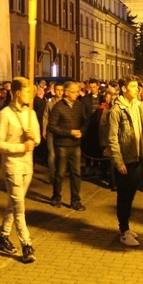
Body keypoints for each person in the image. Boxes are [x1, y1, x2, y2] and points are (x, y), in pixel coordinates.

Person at [104, 75, 143, 247]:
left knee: (130, 195)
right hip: (125, 159)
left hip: (138, 155)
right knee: (124, 196)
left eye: (137, 86)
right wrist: (119, 161)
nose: (137, 89)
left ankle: (126, 227)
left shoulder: (137, 106)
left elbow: (139, 128)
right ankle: (123, 231)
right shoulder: (117, 110)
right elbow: (112, 138)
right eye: (132, 86)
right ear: (124, 89)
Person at [0, 77, 41, 263]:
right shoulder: (5, 114)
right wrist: (19, 147)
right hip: (12, 165)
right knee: (19, 207)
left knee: (14, 204)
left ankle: (2, 236)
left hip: (27, 166)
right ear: (18, 92)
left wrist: (31, 137)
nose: (31, 94)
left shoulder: (31, 114)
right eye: (28, 91)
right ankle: (27, 244)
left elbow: (36, 140)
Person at [48, 81, 87, 211]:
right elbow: (52, 127)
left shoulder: (78, 105)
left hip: (76, 145)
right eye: (75, 91)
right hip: (62, 145)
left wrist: (81, 131)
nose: (77, 94)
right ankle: (56, 197)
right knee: (60, 173)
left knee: (76, 173)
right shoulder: (58, 107)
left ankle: (75, 200)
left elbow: (84, 121)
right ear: (67, 92)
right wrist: (69, 133)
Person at [42, 83, 65, 183]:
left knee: (61, 153)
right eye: (58, 90)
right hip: (51, 130)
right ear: (54, 91)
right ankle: (52, 174)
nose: (59, 92)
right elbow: (45, 117)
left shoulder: (65, 103)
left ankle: (60, 173)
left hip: (62, 131)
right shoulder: (50, 103)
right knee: (51, 153)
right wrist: (44, 129)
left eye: (61, 90)